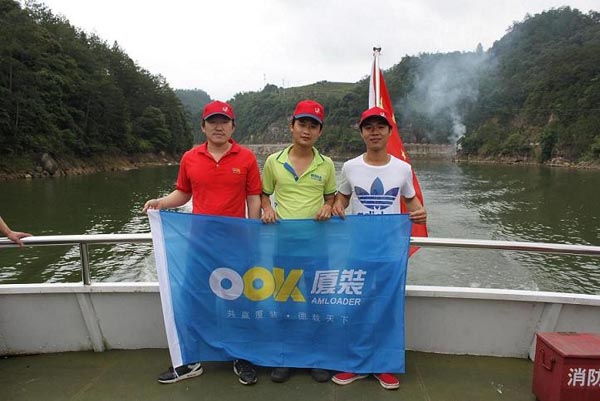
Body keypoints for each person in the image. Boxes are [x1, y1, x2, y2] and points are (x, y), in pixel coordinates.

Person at [143, 100, 262, 386]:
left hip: (235, 245)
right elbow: (183, 193)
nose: (218, 127)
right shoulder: (190, 157)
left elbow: (253, 198)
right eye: (212, 121)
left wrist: (254, 233)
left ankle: (241, 356)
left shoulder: (246, 158)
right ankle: (191, 360)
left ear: (233, 127)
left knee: (238, 300)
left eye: (224, 122)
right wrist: (161, 203)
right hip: (199, 245)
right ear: (203, 127)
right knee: (194, 300)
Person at [331, 106, 427, 390]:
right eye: (369, 127)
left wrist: (421, 212)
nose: (374, 132)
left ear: (389, 131)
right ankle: (355, 363)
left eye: (380, 127)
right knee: (356, 305)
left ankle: (384, 365)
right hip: (358, 248)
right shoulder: (350, 167)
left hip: (390, 251)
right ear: (362, 132)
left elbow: (411, 202)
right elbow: (342, 198)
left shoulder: (402, 168)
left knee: (387, 307)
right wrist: (337, 206)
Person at [260, 99, 337, 383]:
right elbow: (264, 193)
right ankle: (286, 357)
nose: (306, 130)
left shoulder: (327, 164)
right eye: (302, 124)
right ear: (291, 126)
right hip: (284, 247)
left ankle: (317, 358)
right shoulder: (273, 162)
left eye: (313, 126)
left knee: (318, 305)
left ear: (320, 131)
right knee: (286, 305)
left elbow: (331, 196)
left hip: (317, 248)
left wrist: (328, 206)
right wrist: (267, 209)